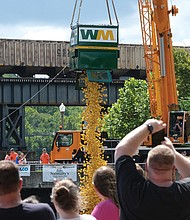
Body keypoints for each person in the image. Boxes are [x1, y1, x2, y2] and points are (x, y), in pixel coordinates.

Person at [115, 119, 190, 220]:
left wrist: (148, 127)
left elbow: (122, 149)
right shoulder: (185, 193)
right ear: (174, 168)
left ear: (146, 167)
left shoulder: (133, 192)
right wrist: (173, 152)